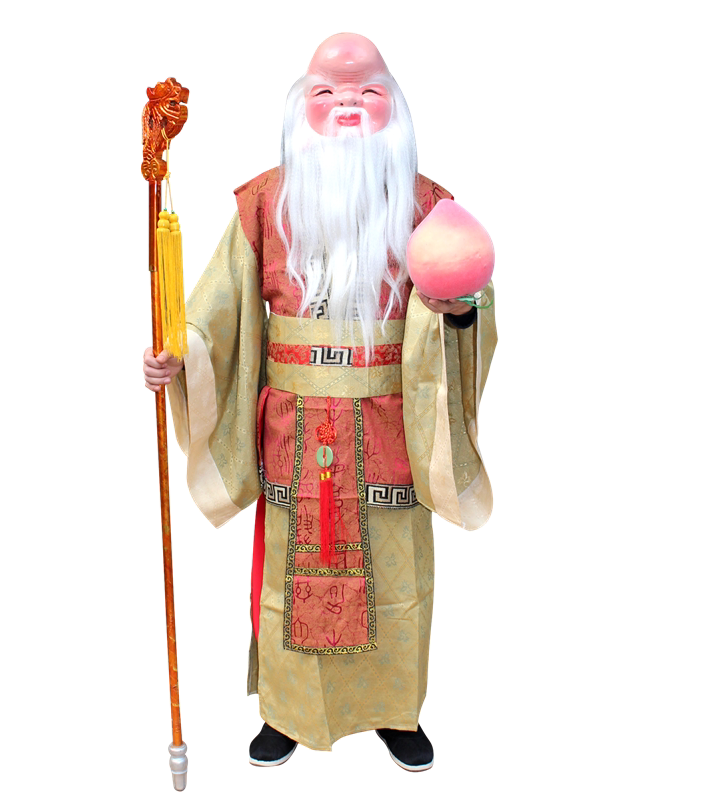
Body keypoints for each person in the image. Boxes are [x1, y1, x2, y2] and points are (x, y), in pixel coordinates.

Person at [142, 33, 497, 772]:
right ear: (300, 107)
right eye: (327, 93)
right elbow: (215, 310)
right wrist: (180, 354)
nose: (347, 108)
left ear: (394, 107)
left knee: (396, 574)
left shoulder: (428, 206)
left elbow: (470, 301)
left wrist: (461, 313)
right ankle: (286, 710)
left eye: (366, 93)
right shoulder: (262, 203)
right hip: (296, 432)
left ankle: (395, 710)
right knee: (289, 571)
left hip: (389, 427)